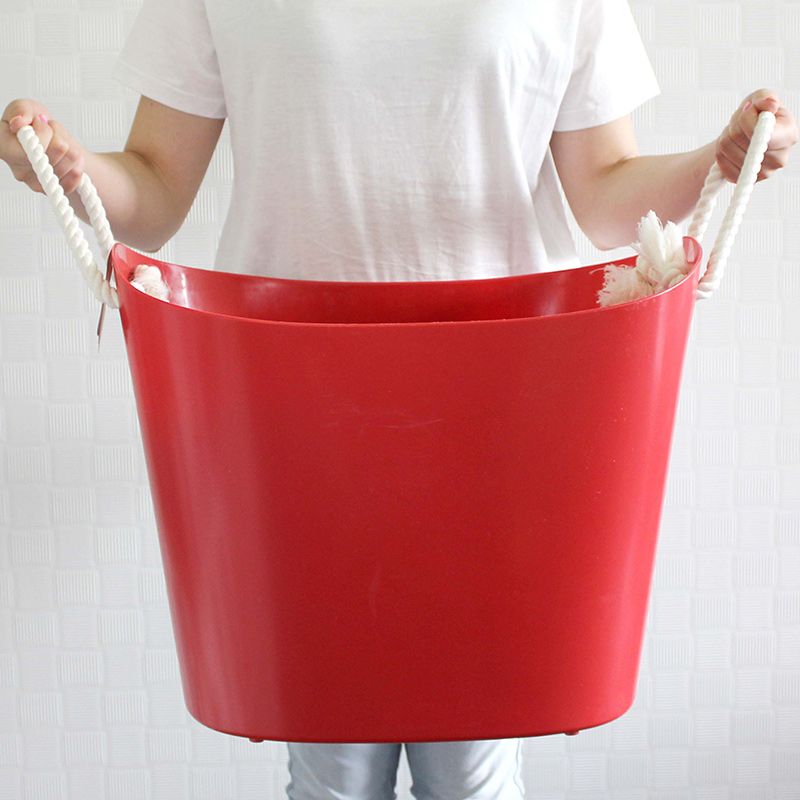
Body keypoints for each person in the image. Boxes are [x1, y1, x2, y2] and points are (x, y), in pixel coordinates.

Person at [1, 0, 797, 798]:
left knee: (474, 768)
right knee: (332, 766)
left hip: (499, 401)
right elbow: (155, 189)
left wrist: (718, 161)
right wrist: (71, 168)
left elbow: (605, 195)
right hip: (290, 396)